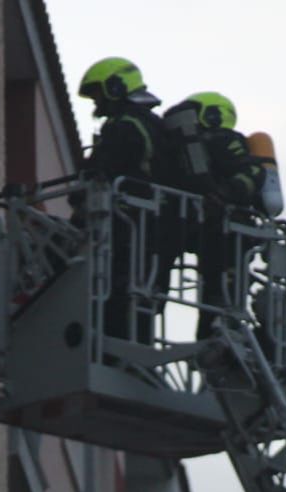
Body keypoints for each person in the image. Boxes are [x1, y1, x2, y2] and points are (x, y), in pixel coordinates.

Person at [76, 57, 176, 342]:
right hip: (154, 228)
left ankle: (115, 351)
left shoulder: (125, 126)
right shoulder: (153, 124)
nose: (97, 104)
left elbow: (102, 169)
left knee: (119, 296)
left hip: (128, 224)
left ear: (115, 88)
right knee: (140, 299)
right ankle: (133, 353)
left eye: (98, 95)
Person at [163, 92, 267, 336]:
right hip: (206, 227)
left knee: (222, 293)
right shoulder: (185, 149)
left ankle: (221, 334)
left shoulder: (225, 140)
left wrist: (224, 193)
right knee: (212, 292)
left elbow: (251, 173)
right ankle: (212, 337)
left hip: (230, 229)